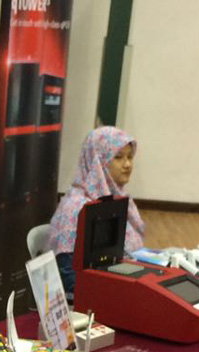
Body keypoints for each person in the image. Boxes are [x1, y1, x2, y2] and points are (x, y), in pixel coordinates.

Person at [48, 126, 144, 299]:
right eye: (118, 157)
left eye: (130, 157)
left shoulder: (118, 200)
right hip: (91, 301)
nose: (128, 165)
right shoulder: (76, 209)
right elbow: (70, 279)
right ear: (97, 162)